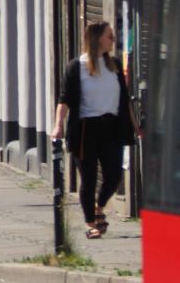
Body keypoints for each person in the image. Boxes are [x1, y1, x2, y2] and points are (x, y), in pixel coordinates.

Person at [52, 21, 140, 240]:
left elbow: (124, 99)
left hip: (112, 126)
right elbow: (64, 100)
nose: (113, 40)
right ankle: (91, 222)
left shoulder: (115, 65)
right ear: (97, 38)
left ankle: (99, 206)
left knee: (114, 175)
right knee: (88, 179)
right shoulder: (76, 67)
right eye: (109, 36)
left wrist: (134, 124)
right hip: (85, 129)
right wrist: (58, 126)